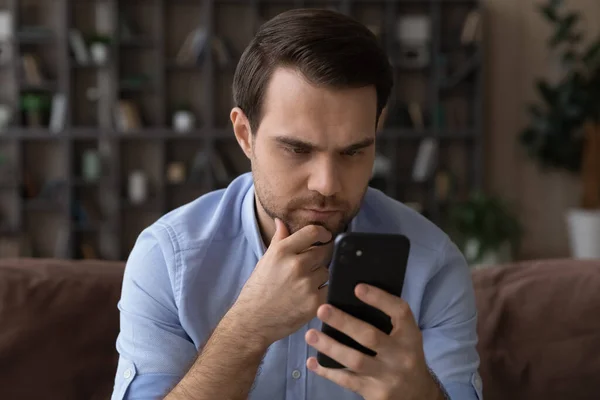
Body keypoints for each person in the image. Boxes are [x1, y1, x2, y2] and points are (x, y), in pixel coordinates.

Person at [111, 9, 482, 400]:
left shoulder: (434, 265)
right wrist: (246, 331)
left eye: (353, 152)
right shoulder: (167, 258)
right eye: (296, 149)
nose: (326, 183)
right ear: (245, 135)